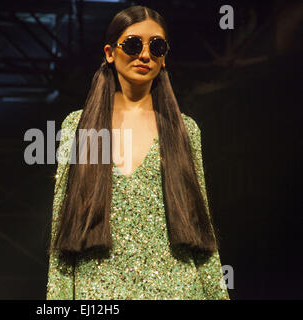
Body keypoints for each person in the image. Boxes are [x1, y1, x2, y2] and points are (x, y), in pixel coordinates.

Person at [46, 5, 230, 300]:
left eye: (156, 46)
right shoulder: (77, 128)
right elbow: (62, 228)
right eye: (133, 44)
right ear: (109, 52)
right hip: (98, 296)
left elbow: (201, 228)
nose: (145, 55)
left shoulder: (185, 131)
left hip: (181, 291)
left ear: (164, 57)